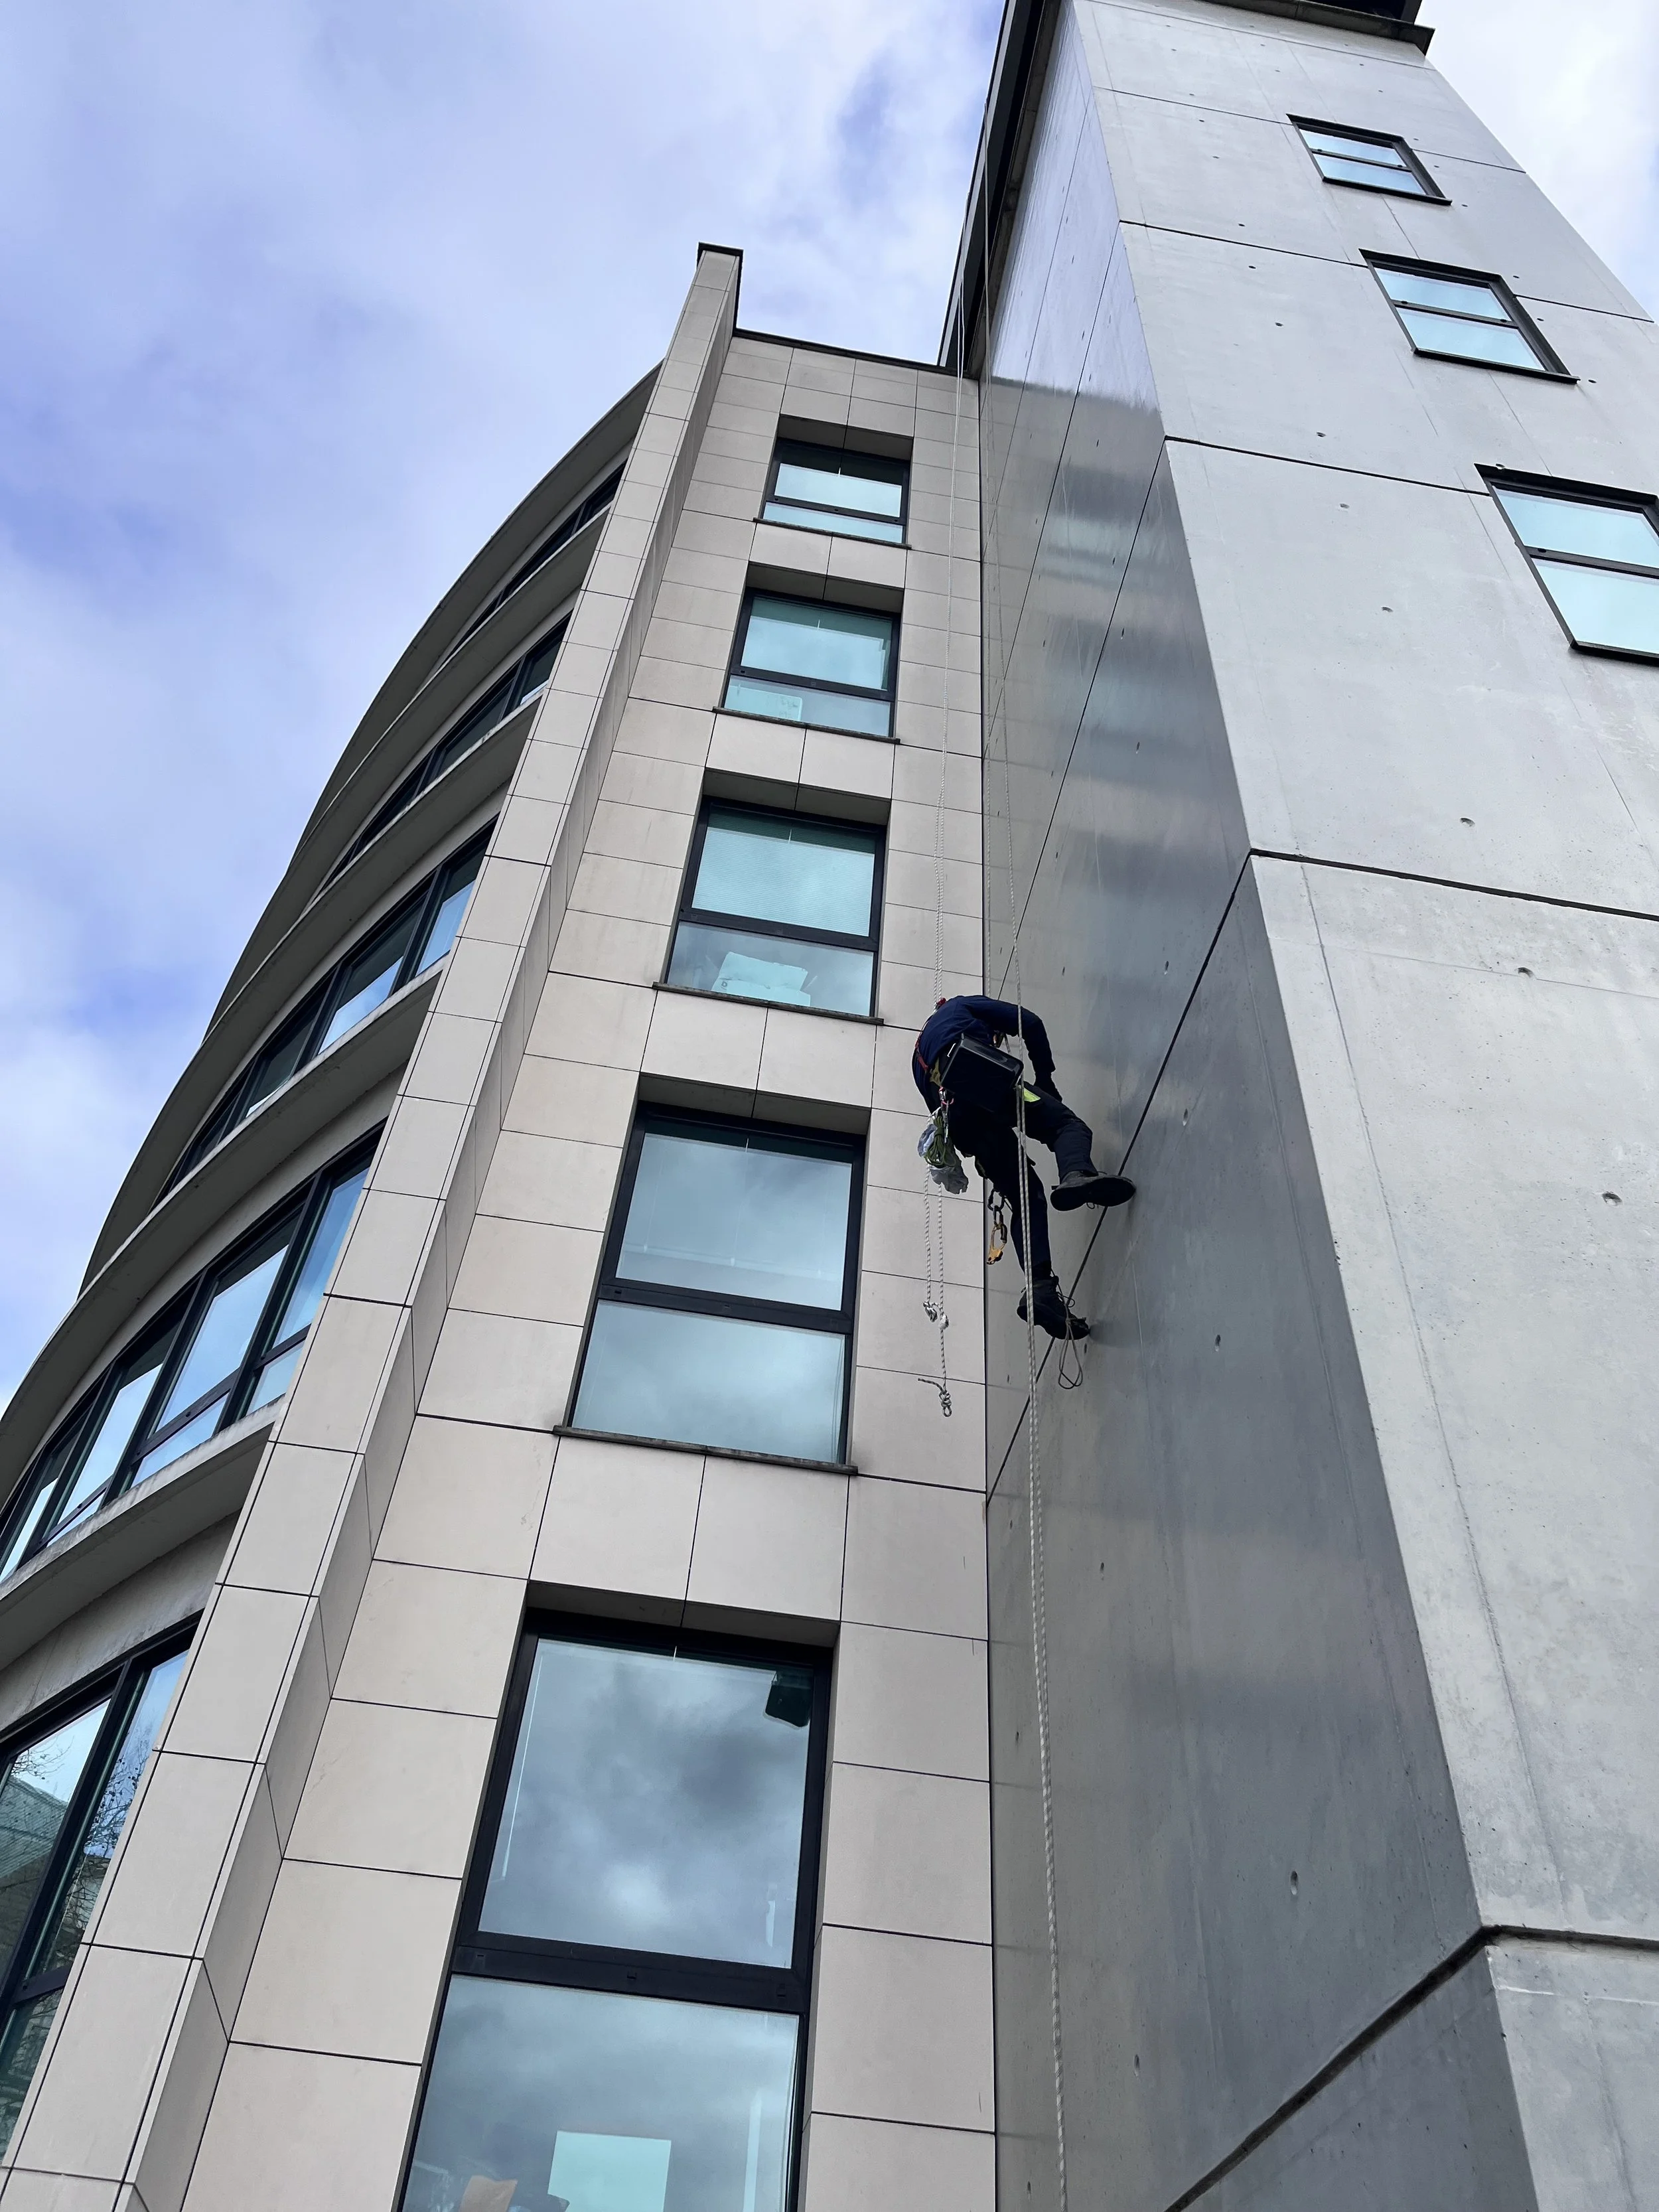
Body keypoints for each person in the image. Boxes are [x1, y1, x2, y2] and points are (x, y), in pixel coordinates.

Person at [914, 994, 1133, 1339]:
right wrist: (1045, 1079)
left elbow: (942, 1109)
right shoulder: (960, 1006)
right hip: (985, 1080)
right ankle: (1077, 1173)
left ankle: (1040, 1287)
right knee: (1066, 1126)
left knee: (1026, 1198)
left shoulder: (919, 1060)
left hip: (961, 1124)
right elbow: (1030, 1022)